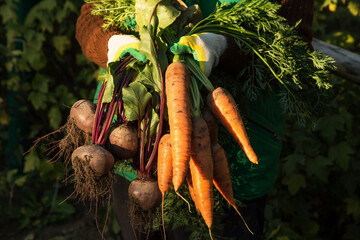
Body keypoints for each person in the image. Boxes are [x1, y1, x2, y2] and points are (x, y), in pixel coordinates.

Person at [75, 0, 314, 239]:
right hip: (127, 151)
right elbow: (91, 17)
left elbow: (294, 43)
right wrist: (112, 43)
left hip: (233, 169)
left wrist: (223, 46)